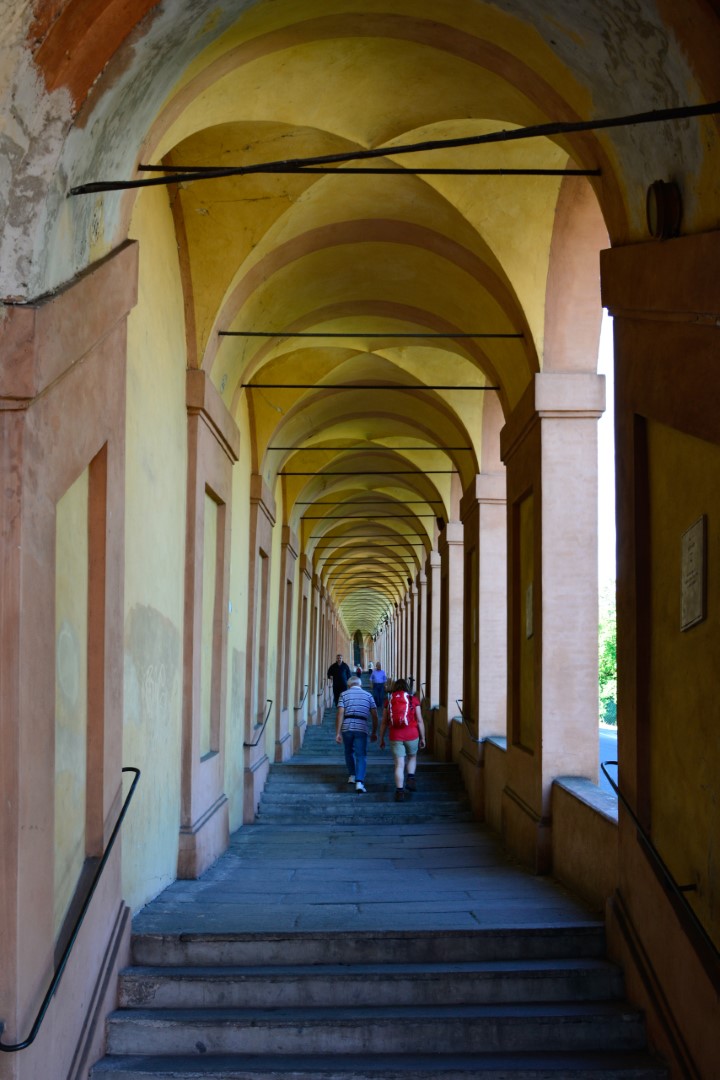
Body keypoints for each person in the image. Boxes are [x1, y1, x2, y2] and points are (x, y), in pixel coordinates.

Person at [379, 678, 425, 801]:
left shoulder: (389, 701)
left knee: (399, 765)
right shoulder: (413, 700)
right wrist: (423, 738)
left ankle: (400, 792)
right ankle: (410, 777)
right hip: (412, 734)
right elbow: (420, 720)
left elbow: (384, 722)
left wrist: (381, 738)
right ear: (407, 687)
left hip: (395, 735)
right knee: (412, 757)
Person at [335, 675, 378, 793]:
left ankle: (352, 775)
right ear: (360, 684)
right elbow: (375, 715)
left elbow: (340, 713)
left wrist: (337, 732)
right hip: (362, 727)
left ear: (349, 685)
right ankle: (359, 782)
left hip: (347, 727)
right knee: (361, 755)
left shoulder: (343, 695)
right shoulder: (368, 695)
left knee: (348, 752)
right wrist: (374, 731)